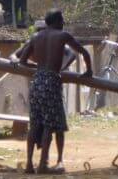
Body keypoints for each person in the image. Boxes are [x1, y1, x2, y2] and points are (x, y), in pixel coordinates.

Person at [14, 10, 93, 175]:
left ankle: (29, 164)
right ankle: (43, 164)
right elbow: (84, 52)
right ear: (57, 21)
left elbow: (21, 61)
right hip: (52, 82)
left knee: (35, 124)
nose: (63, 22)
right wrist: (89, 72)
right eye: (62, 20)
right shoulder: (63, 35)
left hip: (37, 82)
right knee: (50, 125)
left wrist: (39, 69)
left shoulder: (36, 37)